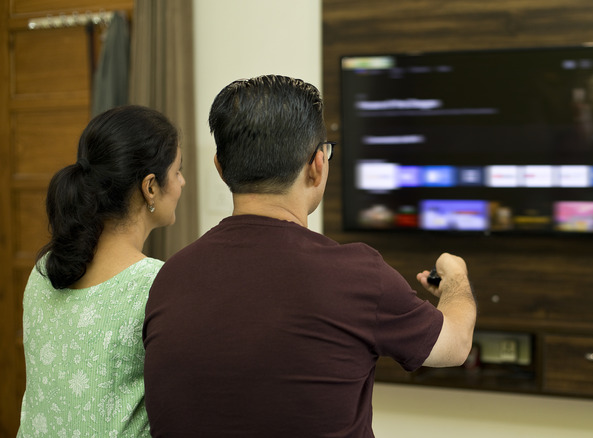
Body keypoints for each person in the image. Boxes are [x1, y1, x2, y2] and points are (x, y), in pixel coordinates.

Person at [142, 75, 476, 437]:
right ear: (317, 164)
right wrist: (456, 279)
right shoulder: (357, 275)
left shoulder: (169, 277)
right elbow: (455, 345)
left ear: (220, 168)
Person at [17, 105, 185, 437]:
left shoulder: (43, 269)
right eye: (178, 171)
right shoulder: (155, 283)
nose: (182, 182)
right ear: (150, 187)